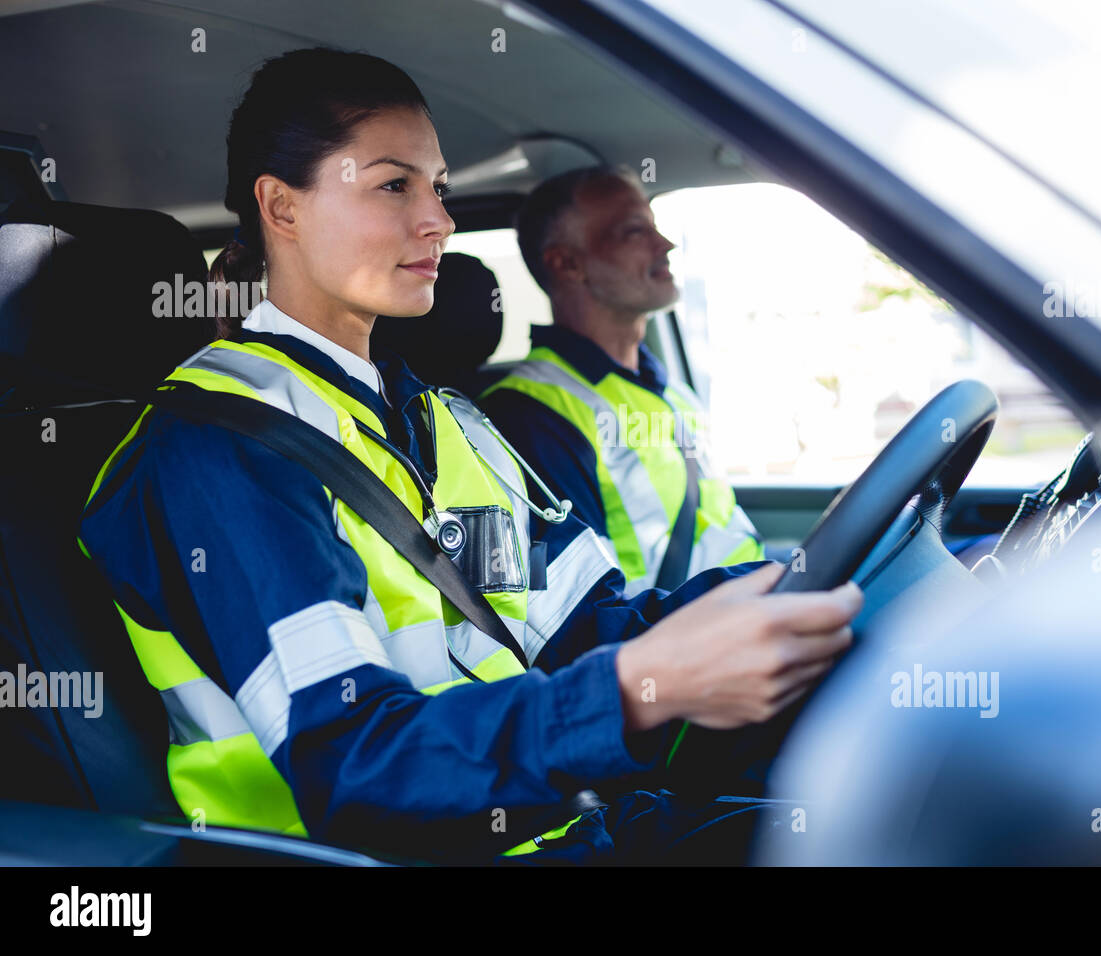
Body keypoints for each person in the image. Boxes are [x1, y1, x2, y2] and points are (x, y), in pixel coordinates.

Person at [75, 47, 861, 864]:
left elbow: (579, 630)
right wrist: (625, 695)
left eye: (439, 189)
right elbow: (349, 761)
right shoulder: (217, 445)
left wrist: (794, 586)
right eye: (393, 185)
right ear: (281, 208)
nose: (439, 221)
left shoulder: (449, 421)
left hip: (562, 827)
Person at [477, 167, 764, 596]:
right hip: (686, 650)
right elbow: (585, 610)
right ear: (568, 263)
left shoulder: (668, 390)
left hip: (758, 616)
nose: (664, 245)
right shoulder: (530, 417)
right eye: (634, 232)